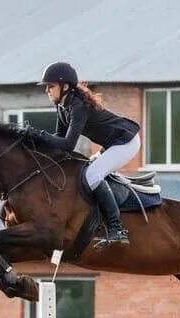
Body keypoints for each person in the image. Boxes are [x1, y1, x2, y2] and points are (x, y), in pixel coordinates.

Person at [35, 61, 140, 246]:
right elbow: (58, 138)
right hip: (111, 145)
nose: (47, 91)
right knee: (82, 173)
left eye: (50, 86)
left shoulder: (77, 106)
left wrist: (38, 134)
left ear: (65, 86)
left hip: (126, 142)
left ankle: (117, 228)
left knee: (92, 175)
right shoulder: (62, 106)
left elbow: (67, 144)